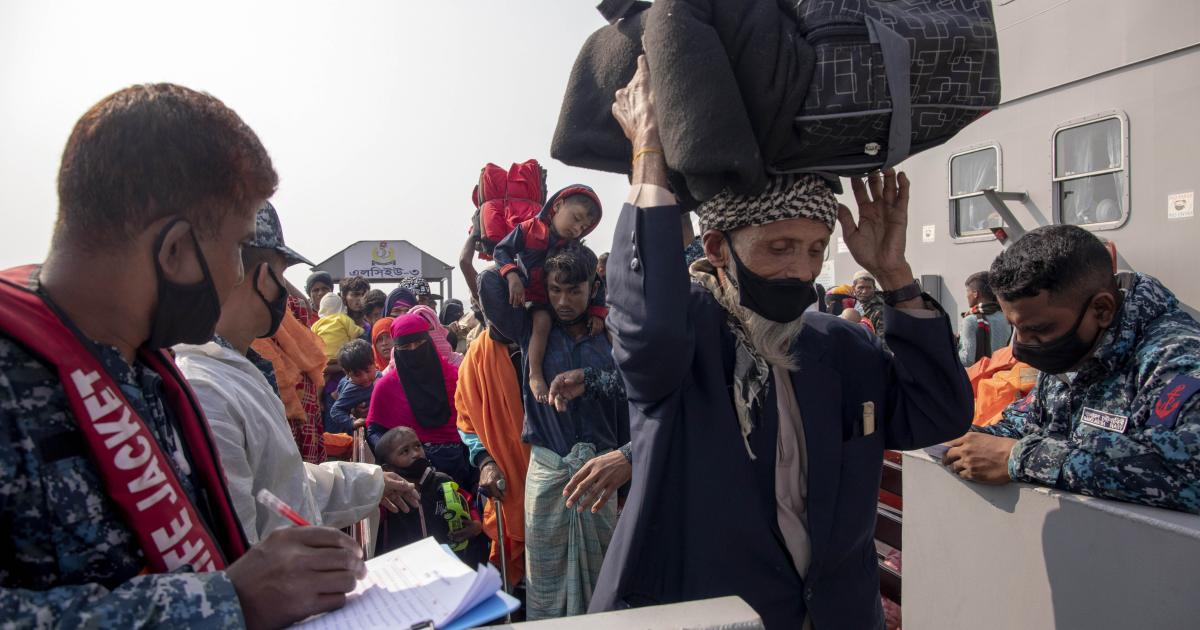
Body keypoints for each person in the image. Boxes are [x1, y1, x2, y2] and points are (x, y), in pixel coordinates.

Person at [592, 58, 973, 629]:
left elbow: (939, 412)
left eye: (817, 249)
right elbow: (648, 321)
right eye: (779, 247)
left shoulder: (842, 347)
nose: (802, 269)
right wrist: (648, 154)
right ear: (718, 250)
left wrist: (895, 276)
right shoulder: (685, 343)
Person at [0, 83, 366, 628]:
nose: (242, 278)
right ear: (175, 252)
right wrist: (226, 603)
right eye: (238, 251)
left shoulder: (146, 370)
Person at [175, 228, 419, 544]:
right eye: (283, 276)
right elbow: (241, 543)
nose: (291, 299)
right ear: (265, 278)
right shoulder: (207, 389)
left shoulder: (241, 371)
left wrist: (370, 483)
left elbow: (281, 481)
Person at [945, 225, 1200, 514]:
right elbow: (1029, 424)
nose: (1021, 347)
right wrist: (955, 438)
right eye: (1016, 328)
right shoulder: (1075, 349)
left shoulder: (1176, 358)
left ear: (1101, 310)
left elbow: (1189, 470)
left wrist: (1022, 459)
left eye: (1038, 330)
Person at [480, 242, 632, 620]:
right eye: (555, 290)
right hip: (548, 474)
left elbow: (636, 389)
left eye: (575, 291)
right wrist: (523, 266)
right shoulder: (529, 328)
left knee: (605, 581)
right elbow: (487, 284)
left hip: (602, 476)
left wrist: (592, 380)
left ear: (593, 288)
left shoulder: (612, 331)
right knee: (544, 581)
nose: (564, 300)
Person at [492, 184, 607, 404]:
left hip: (562, 305)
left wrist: (597, 312)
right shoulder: (528, 229)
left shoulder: (572, 248)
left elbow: (596, 281)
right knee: (542, 321)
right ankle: (535, 374)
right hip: (536, 298)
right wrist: (512, 275)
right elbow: (501, 250)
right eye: (575, 218)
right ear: (557, 205)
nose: (577, 229)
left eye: (583, 227)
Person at [456, 320, 532, 589]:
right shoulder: (478, 354)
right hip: (507, 479)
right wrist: (485, 461)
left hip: (557, 476)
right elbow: (466, 420)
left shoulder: (550, 337)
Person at [365, 314, 471, 487]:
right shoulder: (386, 387)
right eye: (406, 346)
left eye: (420, 343)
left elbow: (472, 424)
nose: (414, 350)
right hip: (413, 476)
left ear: (429, 342)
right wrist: (400, 455)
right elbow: (374, 430)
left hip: (462, 467)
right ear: (396, 349)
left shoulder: (455, 377)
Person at [374, 426, 488, 565]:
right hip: (405, 569)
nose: (416, 453)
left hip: (447, 563)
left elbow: (468, 503)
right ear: (387, 469)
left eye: (417, 446)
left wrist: (475, 525)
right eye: (405, 451)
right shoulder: (387, 498)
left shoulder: (442, 481)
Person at [957, 271, 1012, 366]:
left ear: (975, 294)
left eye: (967, 291)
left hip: (978, 378)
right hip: (1001, 375)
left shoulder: (970, 321)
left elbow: (967, 360)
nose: (966, 295)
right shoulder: (1006, 318)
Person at [328, 340, 377, 435]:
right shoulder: (351, 390)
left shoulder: (379, 376)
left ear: (374, 363)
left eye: (368, 371)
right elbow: (335, 411)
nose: (365, 378)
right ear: (347, 373)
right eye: (357, 375)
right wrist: (352, 422)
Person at [312, 293, 364, 362]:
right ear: (341, 306)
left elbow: (312, 339)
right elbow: (355, 333)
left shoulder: (317, 324)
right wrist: (362, 329)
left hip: (323, 358)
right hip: (341, 357)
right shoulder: (343, 318)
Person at [853, 270, 886, 335]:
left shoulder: (880, 310)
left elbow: (883, 341)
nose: (864, 291)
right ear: (854, 288)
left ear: (874, 288)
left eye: (869, 288)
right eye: (861, 287)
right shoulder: (852, 304)